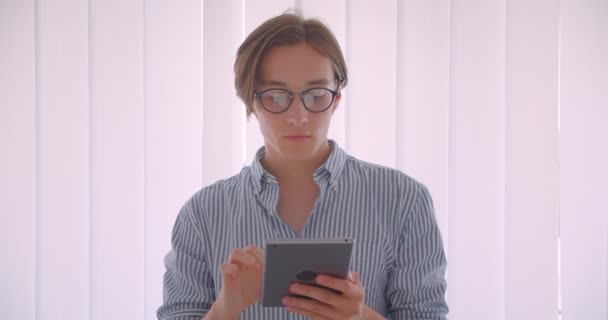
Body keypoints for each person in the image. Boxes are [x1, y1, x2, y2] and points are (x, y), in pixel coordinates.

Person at [157, 12, 448, 320]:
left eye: (315, 94)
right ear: (250, 100)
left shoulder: (403, 200)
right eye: (277, 96)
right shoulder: (202, 215)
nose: (299, 115)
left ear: (336, 97)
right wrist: (225, 310)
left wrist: (361, 316)